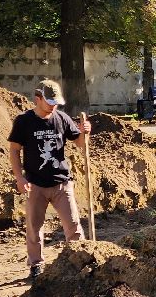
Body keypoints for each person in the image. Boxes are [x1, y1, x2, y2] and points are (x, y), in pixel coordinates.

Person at [7, 79, 92, 281]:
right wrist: (19, 178)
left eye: (56, 102)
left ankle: (80, 261)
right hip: (35, 184)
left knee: (73, 226)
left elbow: (80, 144)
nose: (54, 105)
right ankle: (36, 265)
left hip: (62, 183)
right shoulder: (23, 121)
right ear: (38, 99)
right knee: (34, 228)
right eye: (50, 101)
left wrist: (84, 132)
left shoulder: (62, 118)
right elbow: (14, 150)